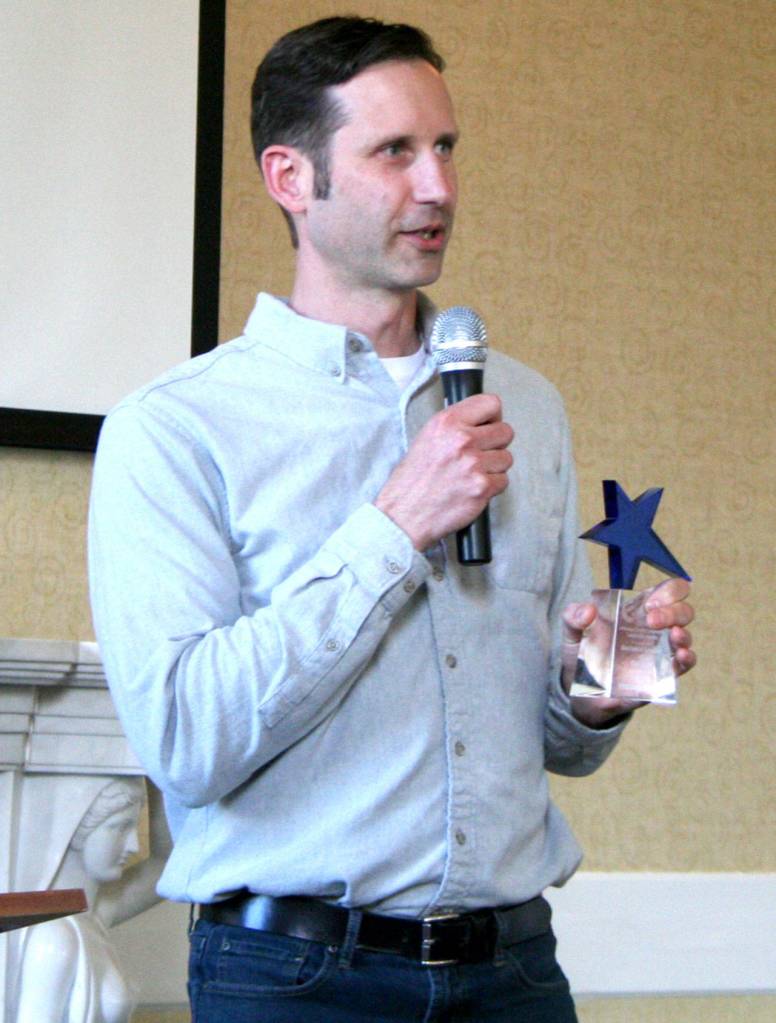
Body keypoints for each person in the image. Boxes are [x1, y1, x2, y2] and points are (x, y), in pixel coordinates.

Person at [88, 15, 695, 1022]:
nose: (438, 189)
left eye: (445, 148)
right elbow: (186, 739)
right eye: (393, 153)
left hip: (514, 970)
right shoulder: (176, 429)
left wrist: (602, 687)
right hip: (292, 981)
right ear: (290, 178)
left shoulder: (523, 406)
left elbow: (557, 744)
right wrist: (391, 527)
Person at [11, 776, 171, 1023]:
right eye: (119, 827)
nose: (133, 845)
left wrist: (156, 770)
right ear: (76, 829)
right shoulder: (53, 935)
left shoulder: (90, 914)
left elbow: (165, 866)